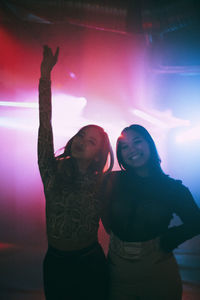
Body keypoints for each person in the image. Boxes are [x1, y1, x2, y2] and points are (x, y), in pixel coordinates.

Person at [37, 45, 114, 300]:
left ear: (98, 154)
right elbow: (45, 122)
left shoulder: (102, 182)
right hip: (56, 263)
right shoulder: (51, 170)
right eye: (81, 134)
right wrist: (45, 76)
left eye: (91, 141)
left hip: (90, 263)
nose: (82, 141)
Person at [102, 124, 200, 300]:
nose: (132, 149)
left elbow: (196, 222)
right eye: (124, 147)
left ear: (150, 144)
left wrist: (169, 239)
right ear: (120, 154)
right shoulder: (112, 180)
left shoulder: (172, 188)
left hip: (158, 270)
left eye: (137, 142)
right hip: (117, 271)